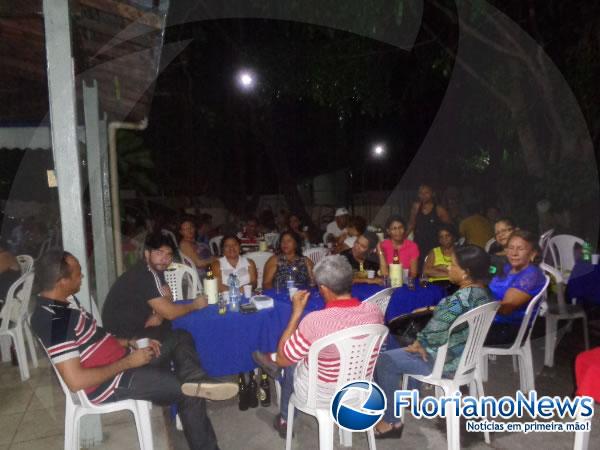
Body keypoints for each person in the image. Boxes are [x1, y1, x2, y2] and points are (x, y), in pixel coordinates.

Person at [32, 250, 235, 450]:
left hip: (123, 359)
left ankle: (196, 378)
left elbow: (96, 340)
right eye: (78, 273)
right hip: (111, 382)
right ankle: (196, 391)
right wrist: (129, 362)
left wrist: (130, 343)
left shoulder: (63, 305)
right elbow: (76, 381)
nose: (82, 276)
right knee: (187, 391)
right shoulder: (55, 320)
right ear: (62, 281)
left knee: (180, 337)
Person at [252, 255, 384, 437]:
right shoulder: (374, 312)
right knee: (307, 352)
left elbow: (285, 358)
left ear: (323, 289)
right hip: (360, 387)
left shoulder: (315, 322)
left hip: (322, 393)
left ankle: (284, 418)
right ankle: (275, 361)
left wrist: (296, 313)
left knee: (290, 362)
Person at [374, 245, 493, 438]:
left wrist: (419, 344)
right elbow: (450, 317)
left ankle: (391, 422)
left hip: (444, 362)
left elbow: (433, 333)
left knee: (384, 360)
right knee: (402, 346)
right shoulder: (484, 294)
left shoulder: (457, 300)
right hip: (465, 357)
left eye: (452, 265)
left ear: (466, 273)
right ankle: (412, 397)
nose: (448, 268)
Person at [485, 230, 546, 346]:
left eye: (520, 249)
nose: (514, 253)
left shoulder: (531, 276)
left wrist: (476, 303)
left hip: (509, 328)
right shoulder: (508, 268)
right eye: (510, 248)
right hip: (491, 321)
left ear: (533, 253)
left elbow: (505, 310)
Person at [407, 185, 452, 268]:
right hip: (419, 245)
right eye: (421, 193)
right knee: (419, 269)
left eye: (426, 193)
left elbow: (449, 228)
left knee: (432, 268)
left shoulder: (439, 209)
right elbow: (411, 224)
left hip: (434, 246)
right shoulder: (416, 207)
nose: (423, 195)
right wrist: (401, 239)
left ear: (432, 194)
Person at [422, 224, 457, 289]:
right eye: (441, 237)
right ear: (439, 240)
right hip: (435, 286)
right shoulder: (434, 252)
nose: (444, 239)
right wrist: (451, 273)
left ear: (453, 237)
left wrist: (440, 268)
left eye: (447, 236)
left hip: (455, 285)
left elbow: (463, 272)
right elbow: (426, 271)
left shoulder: (459, 251)